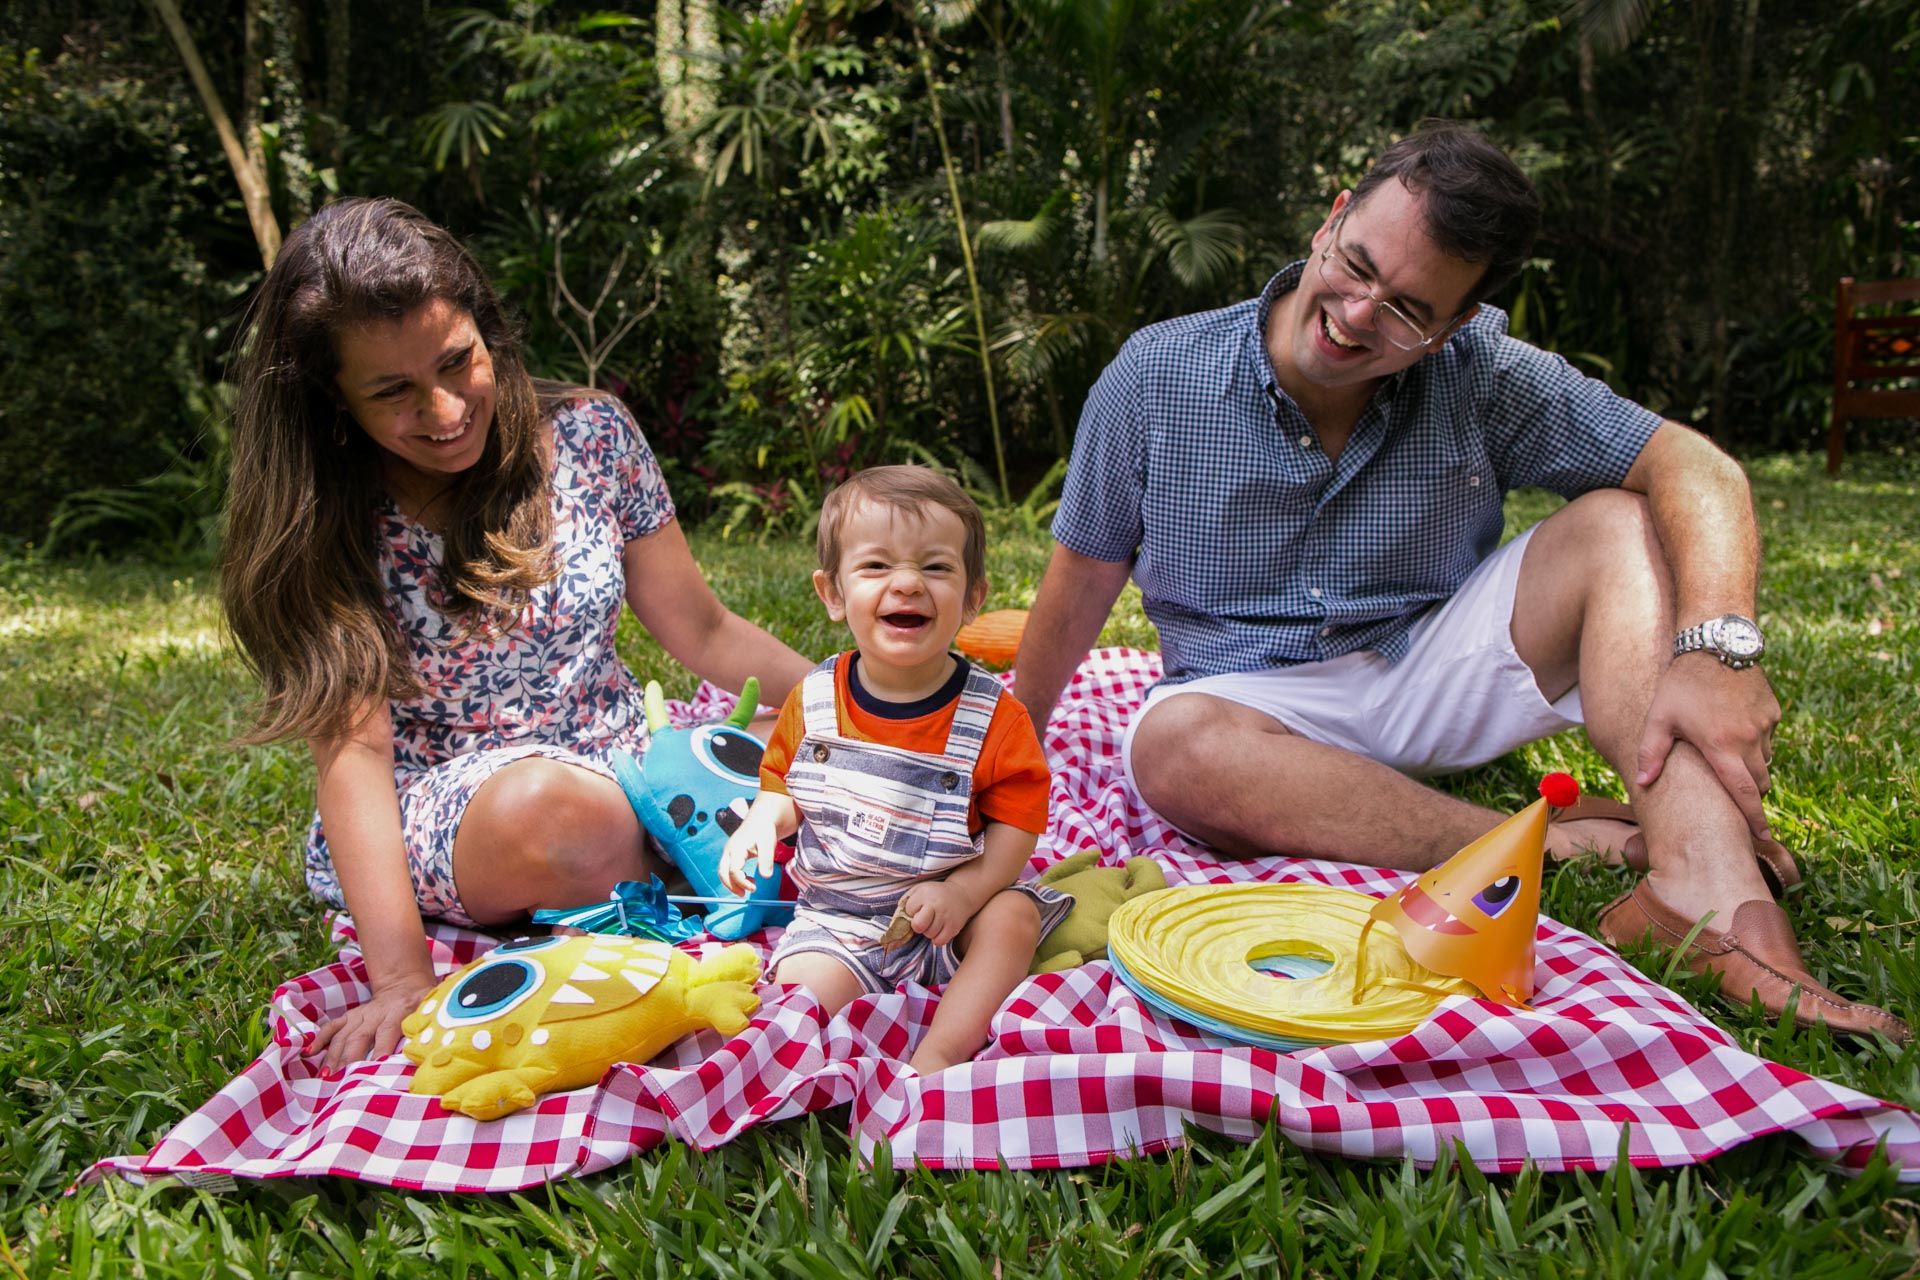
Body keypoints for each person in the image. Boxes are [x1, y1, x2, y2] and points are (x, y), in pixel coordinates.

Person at [1010, 121, 1907, 1040]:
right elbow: (1081, 579)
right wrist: (1007, 746)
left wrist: (1717, 649)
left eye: (1407, 310)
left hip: (1430, 663)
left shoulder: (1485, 373)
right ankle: (1543, 844)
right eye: (1356, 265)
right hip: (1245, 700)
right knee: (1171, 748)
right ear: (1331, 222)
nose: (1358, 314)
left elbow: (1694, 465)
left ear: (1455, 327)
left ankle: (1709, 895)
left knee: (1618, 522)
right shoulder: (1156, 375)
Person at [219, 198, 811, 1070]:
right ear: (335, 400)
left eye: (457, 361)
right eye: (393, 392)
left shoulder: (594, 433)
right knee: (562, 815)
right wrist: (400, 979)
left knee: (806, 744)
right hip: (467, 810)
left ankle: (680, 834)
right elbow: (354, 754)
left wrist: (852, 706)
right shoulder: (327, 515)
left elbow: (705, 627)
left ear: (487, 330)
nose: (444, 407)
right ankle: (683, 840)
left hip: (624, 757)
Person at [720, 466, 1071, 1073]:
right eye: (877, 566)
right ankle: (836, 1037)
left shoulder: (995, 717)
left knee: (1014, 919)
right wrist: (761, 822)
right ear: (833, 594)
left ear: (974, 596)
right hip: (840, 918)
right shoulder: (815, 699)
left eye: (935, 567)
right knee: (800, 1001)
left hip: (954, 914)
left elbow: (1017, 829)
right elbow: (784, 788)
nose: (907, 583)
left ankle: (943, 1049)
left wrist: (964, 893)